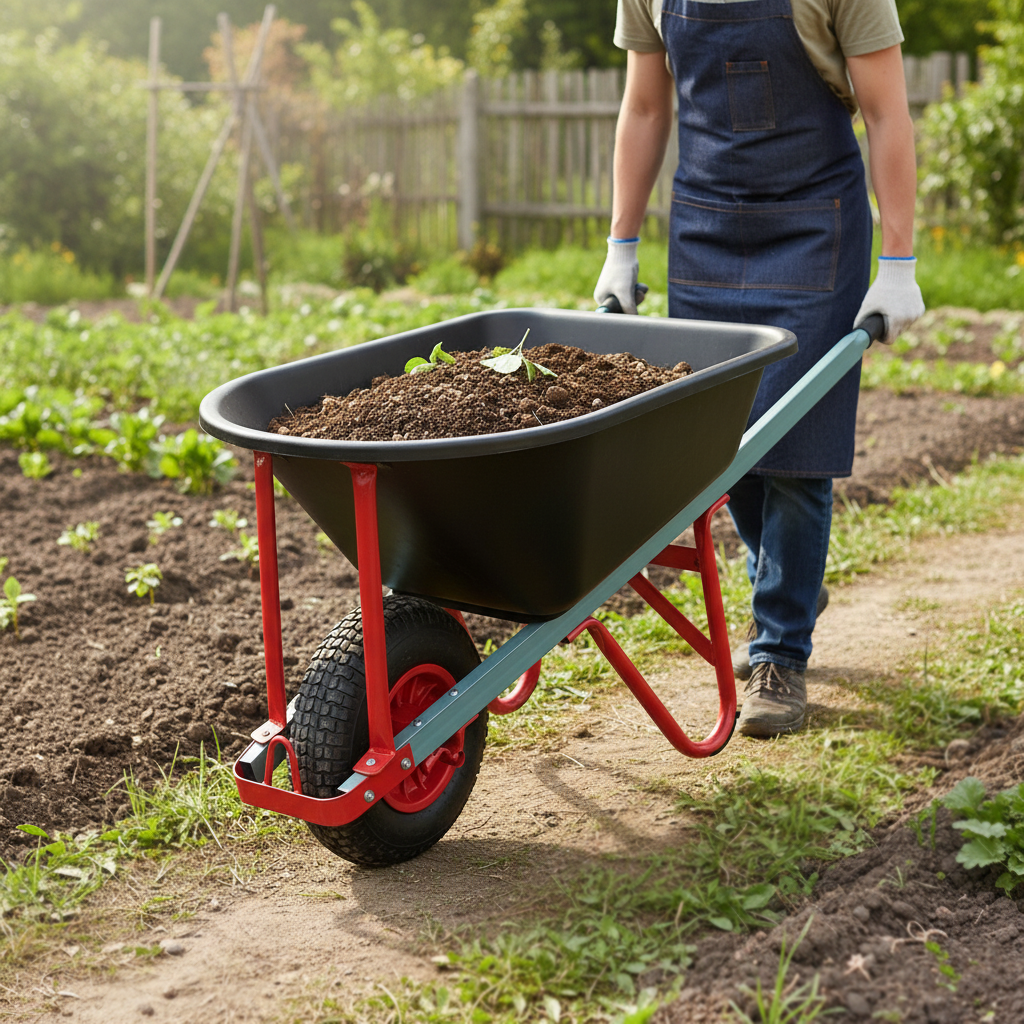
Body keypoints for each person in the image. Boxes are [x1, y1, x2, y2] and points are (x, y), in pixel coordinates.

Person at [594, 0, 924, 738]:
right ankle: (790, 587)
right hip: (706, 223)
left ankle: (779, 649)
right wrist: (622, 245)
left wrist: (897, 260)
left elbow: (887, 112)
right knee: (728, 444)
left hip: (818, 220)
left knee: (798, 445)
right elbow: (646, 107)